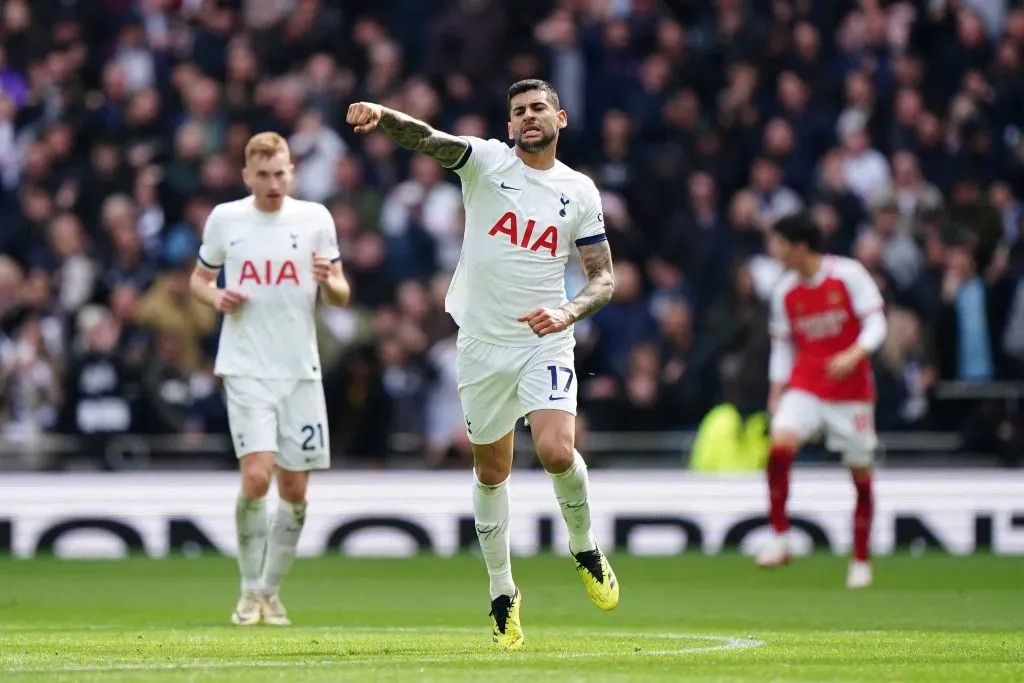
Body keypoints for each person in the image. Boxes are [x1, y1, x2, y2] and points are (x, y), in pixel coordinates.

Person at [346, 79, 619, 650]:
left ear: (560, 118)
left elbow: (603, 278)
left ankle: (586, 547)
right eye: (517, 110)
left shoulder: (580, 191)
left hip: (544, 340)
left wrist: (567, 313)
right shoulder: (487, 162)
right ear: (510, 123)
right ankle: (503, 591)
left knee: (555, 451)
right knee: (492, 471)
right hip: (480, 346)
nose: (528, 117)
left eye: (538, 107)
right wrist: (383, 112)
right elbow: (427, 138)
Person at [189, 132, 350, 625]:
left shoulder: (315, 219)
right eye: (263, 175)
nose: (273, 183)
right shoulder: (227, 219)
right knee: (257, 478)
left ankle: (269, 590)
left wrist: (331, 281)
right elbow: (199, 280)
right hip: (245, 366)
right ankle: (247, 589)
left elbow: (341, 294)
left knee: (296, 491)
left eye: (280, 173)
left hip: (300, 370)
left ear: (291, 172)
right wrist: (216, 298)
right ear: (246, 176)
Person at [760, 212, 887, 589]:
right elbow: (782, 348)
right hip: (806, 386)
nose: (775, 251)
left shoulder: (848, 275)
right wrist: (776, 391)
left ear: (800, 247)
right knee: (779, 448)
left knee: (861, 475)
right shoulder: (785, 291)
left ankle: (861, 559)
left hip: (851, 395)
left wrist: (854, 354)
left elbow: (877, 323)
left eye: (780, 244)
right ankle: (781, 537)